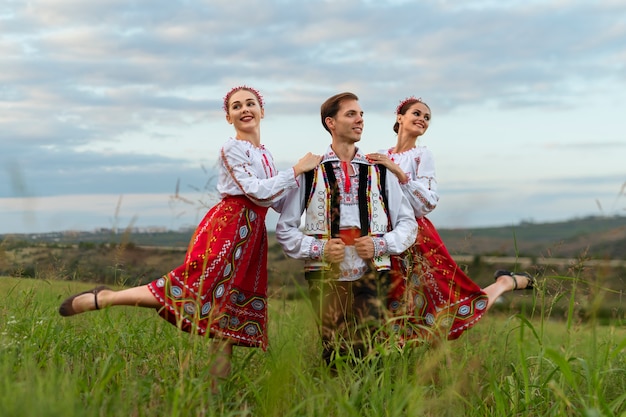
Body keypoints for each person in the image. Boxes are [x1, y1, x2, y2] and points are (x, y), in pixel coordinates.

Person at [58, 86, 322, 389]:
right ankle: (107, 298)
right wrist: (296, 170)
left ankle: (214, 392)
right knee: (195, 286)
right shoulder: (232, 148)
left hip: (253, 234)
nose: (245, 109)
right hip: (230, 225)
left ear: (263, 111)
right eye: (237, 106)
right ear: (228, 117)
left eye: (251, 103)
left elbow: (274, 199)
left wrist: (308, 183)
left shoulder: (264, 153)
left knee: (226, 309)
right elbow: (255, 191)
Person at [366, 96, 535, 344]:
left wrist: (399, 173)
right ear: (399, 117)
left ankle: (505, 283)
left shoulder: (422, 156)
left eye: (427, 117)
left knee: (450, 303)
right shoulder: (379, 154)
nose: (422, 119)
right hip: (382, 237)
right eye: (417, 113)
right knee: (391, 300)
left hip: (415, 236)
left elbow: (427, 204)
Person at [275, 92, 418, 365]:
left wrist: (380, 244)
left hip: (372, 273)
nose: (360, 120)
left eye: (362, 115)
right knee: (335, 352)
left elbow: (407, 223)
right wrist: (319, 248)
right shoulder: (311, 171)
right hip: (326, 275)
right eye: (351, 114)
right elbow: (286, 229)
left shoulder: (379, 170)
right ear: (331, 122)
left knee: (371, 351)